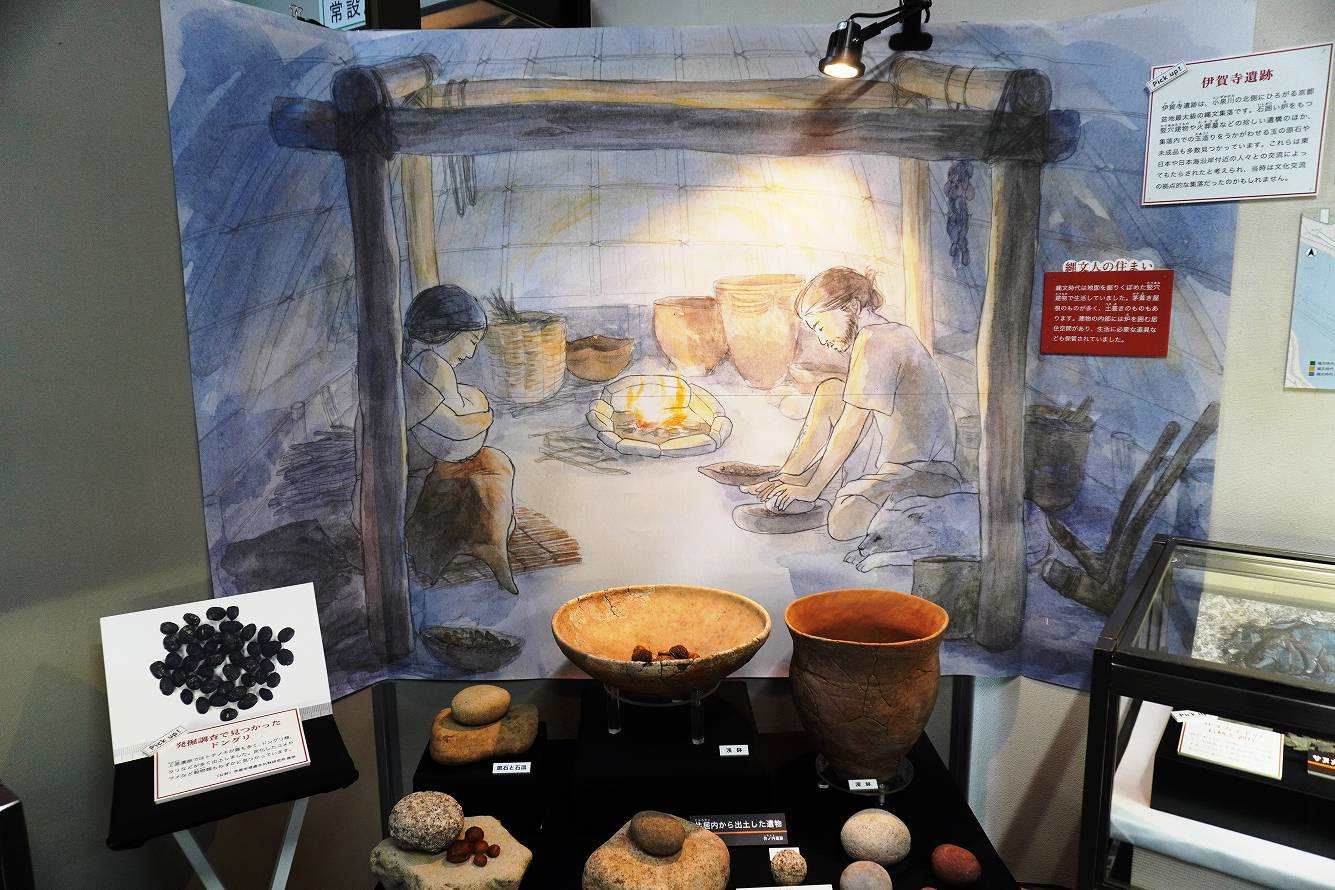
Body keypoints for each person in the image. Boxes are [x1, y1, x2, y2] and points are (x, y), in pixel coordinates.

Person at [742, 267, 958, 541]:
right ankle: (791, 475)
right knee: (830, 390)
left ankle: (818, 496)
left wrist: (813, 488)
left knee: (842, 525)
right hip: (892, 457)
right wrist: (801, 480)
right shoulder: (886, 333)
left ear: (853, 306)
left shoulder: (875, 340)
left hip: (922, 471)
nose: (822, 340)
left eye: (820, 327)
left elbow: (851, 424)